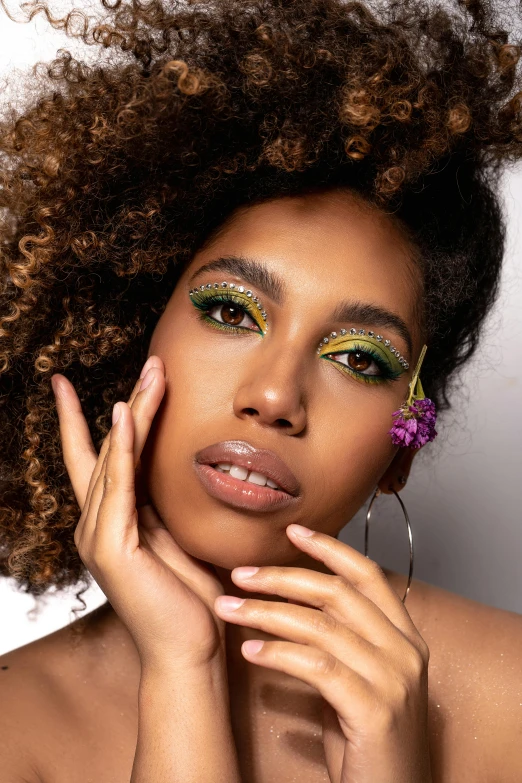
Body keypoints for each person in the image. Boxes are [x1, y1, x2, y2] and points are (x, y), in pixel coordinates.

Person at [0, 0, 521, 780]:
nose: (275, 396)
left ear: (403, 445)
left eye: (359, 359)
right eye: (231, 311)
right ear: (134, 334)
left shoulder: (509, 696)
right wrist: (183, 668)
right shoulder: (17, 729)